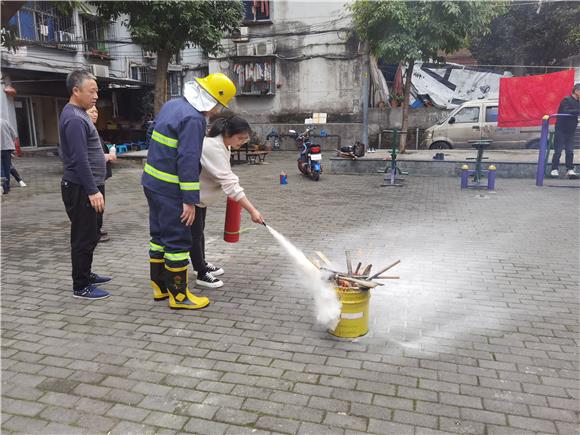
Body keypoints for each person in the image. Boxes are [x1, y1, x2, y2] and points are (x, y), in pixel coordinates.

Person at [142, 73, 236, 310]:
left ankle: (160, 287)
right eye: (218, 105)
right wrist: (189, 201)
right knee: (177, 241)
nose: (216, 111)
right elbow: (187, 161)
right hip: (171, 189)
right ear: (211, 99)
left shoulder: (172, 105)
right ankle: (179, 295)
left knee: (159, 237)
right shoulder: (194, 119)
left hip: (151, 183)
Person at [190, 115, 264, 289]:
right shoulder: (212, 147)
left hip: (200, 196)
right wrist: (252, 211)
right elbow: (230, 183)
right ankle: (201, 273)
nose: (243, 142)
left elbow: (227, 178)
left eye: (245, 139)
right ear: (227, 133)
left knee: (199, 230)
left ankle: (201, 263)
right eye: (240, 138)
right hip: (190, 195)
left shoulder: (224, 144)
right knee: (193, 235)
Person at [59, 70, 112, 300]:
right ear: (76, 91)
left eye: (97, 91)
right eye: (91, 91)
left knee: (92, 233)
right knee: (83, 236)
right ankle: (80, 286)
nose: (95, 96)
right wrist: (92, 190)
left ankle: (86, 273)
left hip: (90, 186)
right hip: (81, 188)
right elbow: (79, 159)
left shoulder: (80, 114)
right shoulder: (73, 118)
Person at [86, 106, 116, 243]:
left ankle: (96, 229)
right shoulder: (85, 130)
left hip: (99, 176)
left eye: (96, 111)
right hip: (92, 177)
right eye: (92, 111)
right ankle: (93, 233)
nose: (95, 114)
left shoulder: (93, 130)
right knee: (96, 206)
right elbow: (89, 156)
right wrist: (108, 156)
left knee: (100, 206)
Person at [550, 83, 580, 179]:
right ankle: (554, 169)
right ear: (576, 91)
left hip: (570, 130)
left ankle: (569, 169)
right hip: (561, 129)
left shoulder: (578, 102)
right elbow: (565, 111)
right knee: (558, 150)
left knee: (570, 151)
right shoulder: (566, 100)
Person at [1, 118, 17, 194]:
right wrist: (10, 142)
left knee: (1, 169)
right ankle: (7, 186)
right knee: (7, 168)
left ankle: (4, 188)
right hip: (7, 148)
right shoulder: (5, 122)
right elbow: (14, 135)